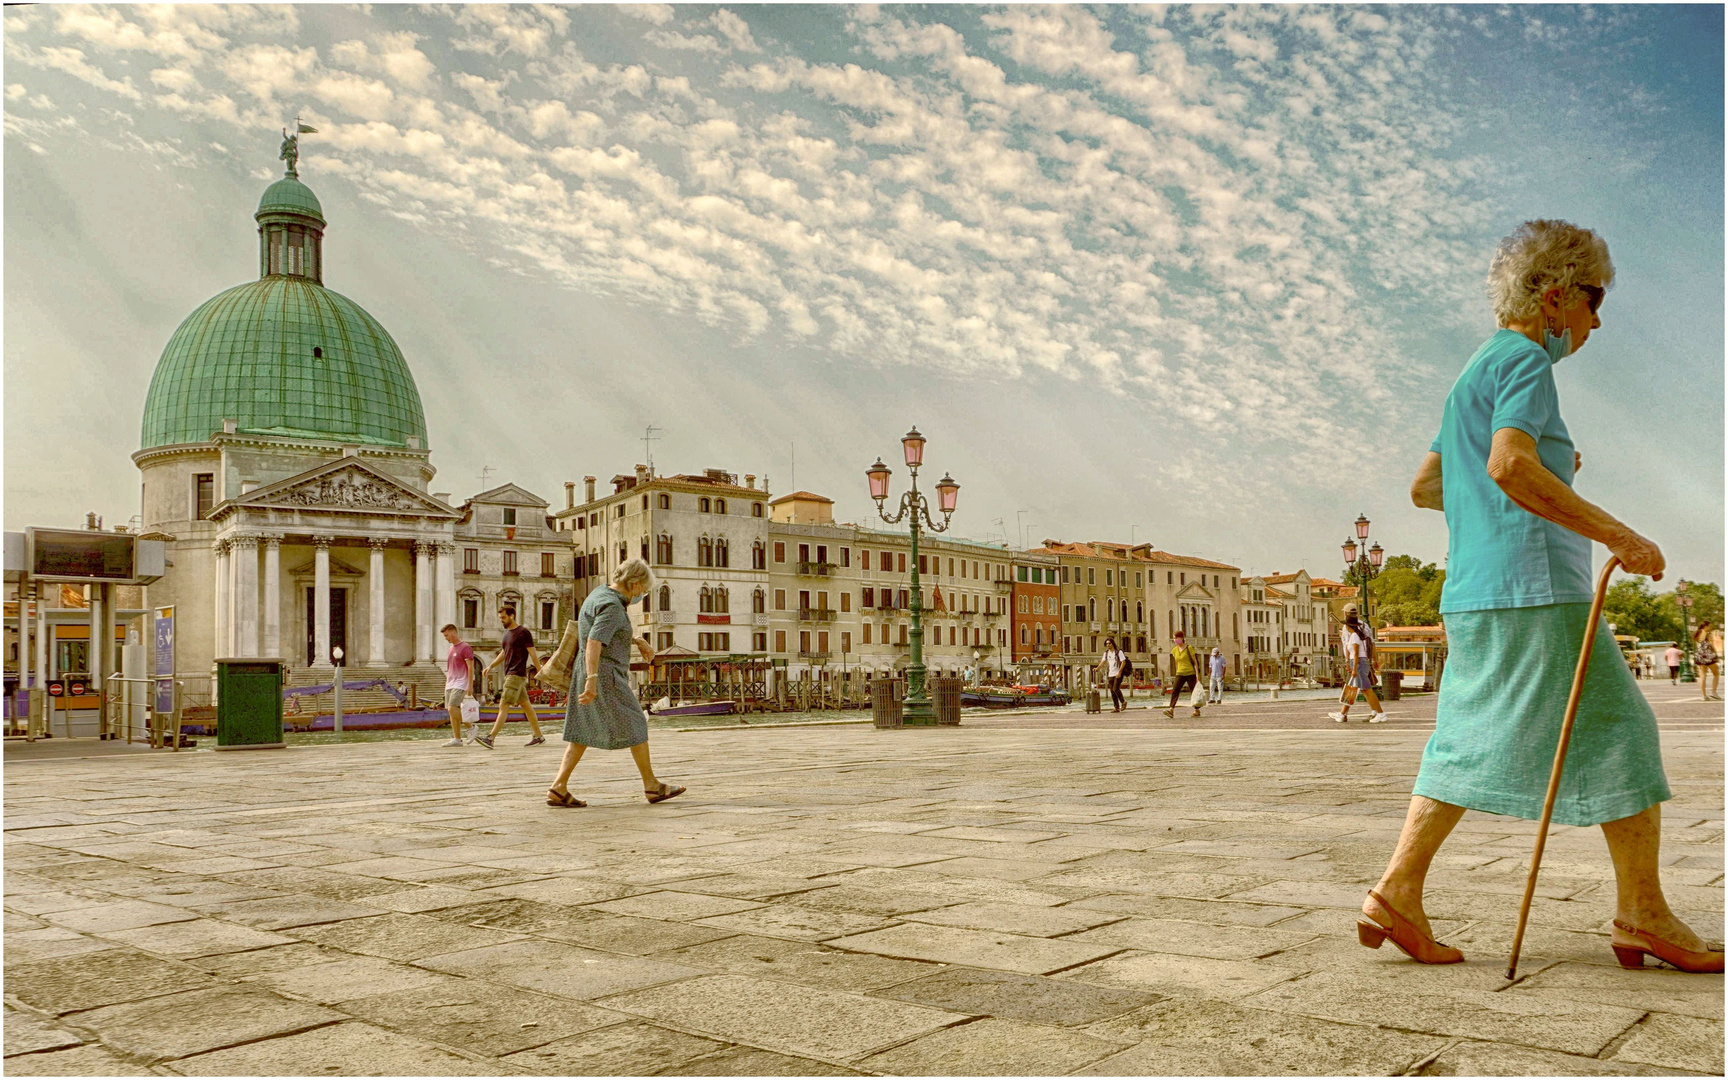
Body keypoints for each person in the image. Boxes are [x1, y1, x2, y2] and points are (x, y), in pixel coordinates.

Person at [1363, 219, 1719, 972]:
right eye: (1594, 301)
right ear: (1555, 296)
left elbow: (1430, 485)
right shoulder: (1527, 359)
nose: (1596, 320)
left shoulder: (1475, 370)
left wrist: (1545, 468)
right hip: (1534, 588)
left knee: (1466, 740)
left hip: (1475, 590)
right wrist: (1619, 533)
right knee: (1623, 731)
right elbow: (1508, 467)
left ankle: (1396, 891)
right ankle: (1643, 914)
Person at [547, 557, 684, 807]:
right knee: (636, 723)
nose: (642, 594)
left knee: (580, 731)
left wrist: (635, 639)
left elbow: (600, 630)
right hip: (604, 675)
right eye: (642, 590)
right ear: (633, 584)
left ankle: (558, 787)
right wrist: (592, 681)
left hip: (589, 671)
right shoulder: (612, 606)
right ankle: (652, 786)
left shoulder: (599, 593)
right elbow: (594, 641)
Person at [473, 605, 545, 749]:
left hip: (516, 674)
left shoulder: (523, 632)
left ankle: (490, 738)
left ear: (512, 616)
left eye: (503, 617)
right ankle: (538, 736)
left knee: (503, 705)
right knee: (526, 705)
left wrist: (540, 671)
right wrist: (490, 666)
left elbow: (532, 653)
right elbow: (504, 653)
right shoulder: (506, 634)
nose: (502, 620)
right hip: (510, 674)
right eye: (500, 618)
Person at [1329, 604, 1385, 723]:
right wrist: (1374, 659)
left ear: (1345, 614)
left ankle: (1380, 713)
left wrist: (1349, 664)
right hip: (1362, 660)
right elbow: (1372, 642)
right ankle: (1342, 714)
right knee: (1352, 687)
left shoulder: (1349, 631)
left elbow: (1349, 648)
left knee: (1365, 688)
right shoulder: (1364, 625)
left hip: (1358, 662)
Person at [440, 624, 475, 747]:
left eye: (447, 635)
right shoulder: (451, 649)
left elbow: (470, 668)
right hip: (450, 683)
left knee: (452, 708)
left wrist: (470, 685)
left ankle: (471, 727)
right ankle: (457, 739)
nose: (446, 638)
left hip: (461, 682)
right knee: (451, 711)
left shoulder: (465, 648)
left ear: (453, 633)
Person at [1162, 631, 1202, 718]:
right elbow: (1176, 662)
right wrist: (1177, 672)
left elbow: (1195, 662)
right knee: (1175, 690)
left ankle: (1197, 710)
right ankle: (1171, 710)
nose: (1175, 640)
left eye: (1176, 638)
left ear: (1182, 638)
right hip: (1180, 673)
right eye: (1174, 638)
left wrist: (1197, 675)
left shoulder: (1189, 648)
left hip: (1190, 673)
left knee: (1193, 692)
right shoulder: (1174, 650)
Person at [1097, 637, 1128, 712]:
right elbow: (1103, 662)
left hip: (1118, 673)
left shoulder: (1118, 652)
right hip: (1110, 673)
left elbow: (1123, 662)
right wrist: (1097, 668)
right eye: (1106, 644)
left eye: (1109, 643)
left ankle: (1123, 702)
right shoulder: (1106, 653)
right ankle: (1116, 707)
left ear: (1112, 643)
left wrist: (1119, 672)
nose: (1108, 645)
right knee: (1112, 691)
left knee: (1115, 689)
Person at [1693, 621, 1722, 701]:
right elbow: (1710, 645)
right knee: (1716, 673)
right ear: (1705, 626)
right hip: (1708, 656)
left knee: (1702, 676)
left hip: (1700, 657)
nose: (1711, 628)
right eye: (1710, 626)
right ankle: (1714, 692)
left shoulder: (1697, 633)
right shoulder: (1705, 633)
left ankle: (1704, 695)